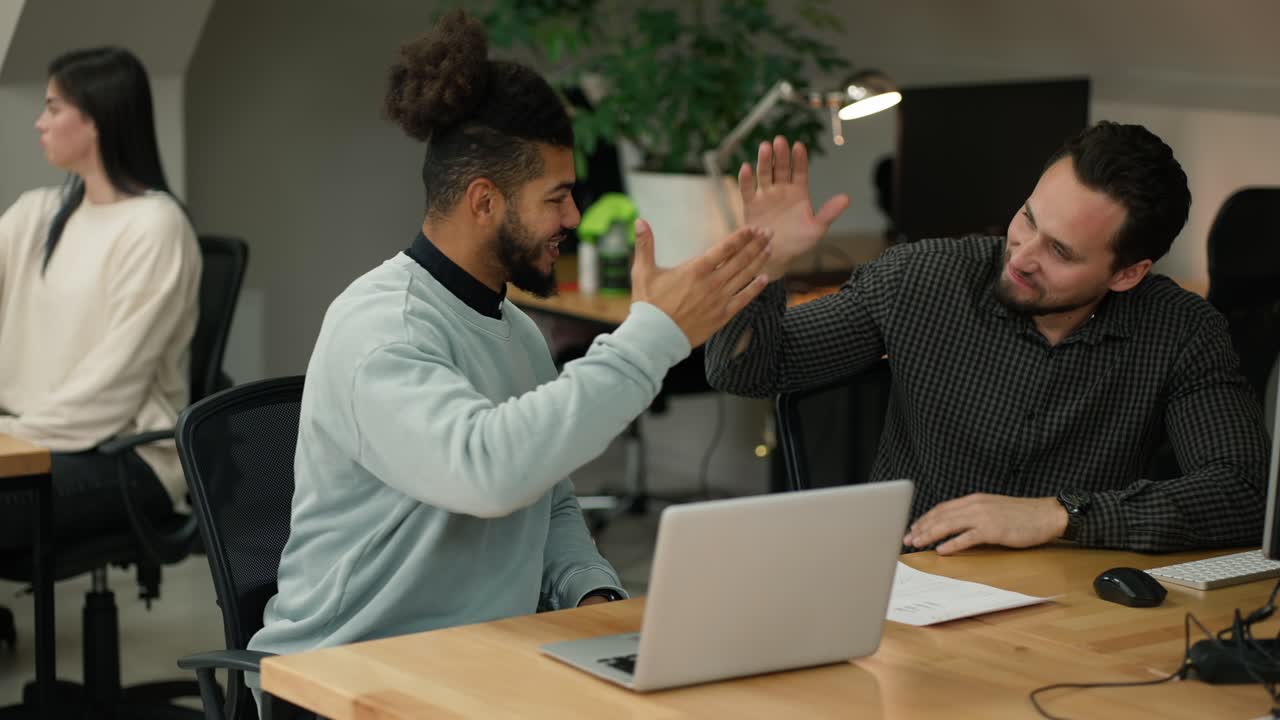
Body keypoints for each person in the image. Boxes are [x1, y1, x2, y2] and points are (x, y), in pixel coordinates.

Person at [247, 9, 770, 670]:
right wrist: (652, 337)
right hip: (350, 674)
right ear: (484, 201)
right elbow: (489, 471)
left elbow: (547, 503)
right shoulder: (381, 331)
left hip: (480, 660)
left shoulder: (514, 331)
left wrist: (592, 597)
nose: (574, 218)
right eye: (556, 199)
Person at [705, 123, 1270, 555]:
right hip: (908, 583)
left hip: (1069, 602)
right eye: (1028, 219)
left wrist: (1060, 515)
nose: (1021, 256)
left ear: (1126, 273)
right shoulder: (923, 279)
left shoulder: (1180, 331)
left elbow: (1243, 494)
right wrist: (763, 267)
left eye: (1061, 252)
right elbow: (746, 371)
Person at [0, 47, 200, 550]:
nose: (40, 124)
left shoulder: (155, 226)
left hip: (128, 457)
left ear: (96, 120)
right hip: (34, 438)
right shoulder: (36, 214)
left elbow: (110, 390)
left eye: (53, 108)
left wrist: (15, 436)